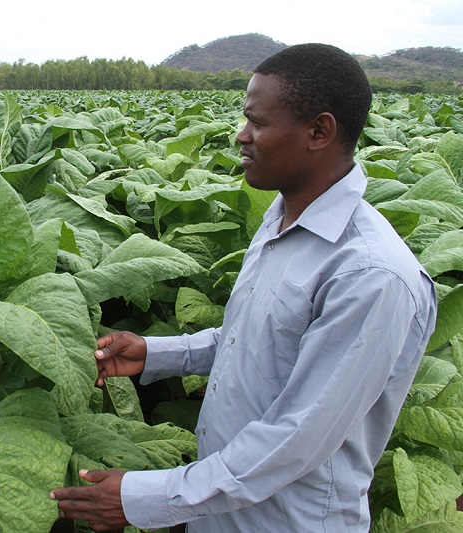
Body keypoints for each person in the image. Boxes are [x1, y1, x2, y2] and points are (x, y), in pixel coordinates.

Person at [49, 43, 437, 532]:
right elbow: (253, 340)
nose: (241, 135)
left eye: (257, 122)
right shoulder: (282, 217)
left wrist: (147, 497)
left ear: (319, 131)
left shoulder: (370, 273)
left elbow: (296, 439)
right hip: (218, 508)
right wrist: (154, 353)